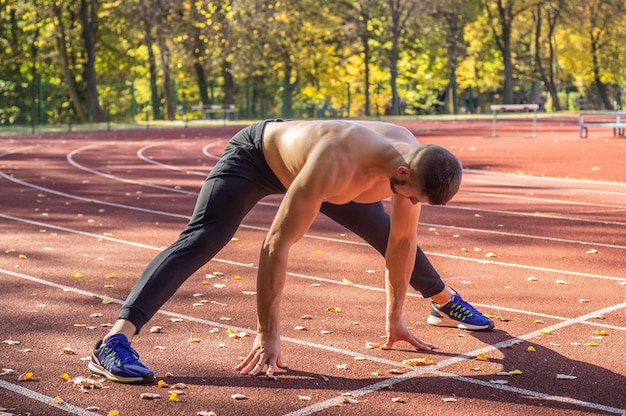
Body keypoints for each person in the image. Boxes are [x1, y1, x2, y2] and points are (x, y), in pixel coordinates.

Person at [88, 119, 494, 385]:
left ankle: (441, 303)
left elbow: (402, 243)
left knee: (391, 231)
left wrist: (395, 319)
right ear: (403, 172)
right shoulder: (337, 160)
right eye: (413, 197)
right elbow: (275, 243)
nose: (413, 203)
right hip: (256, 157)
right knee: (205, 237)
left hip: (342, 180)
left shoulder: (411, 164)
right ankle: (113, 342)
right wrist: (267, 333)